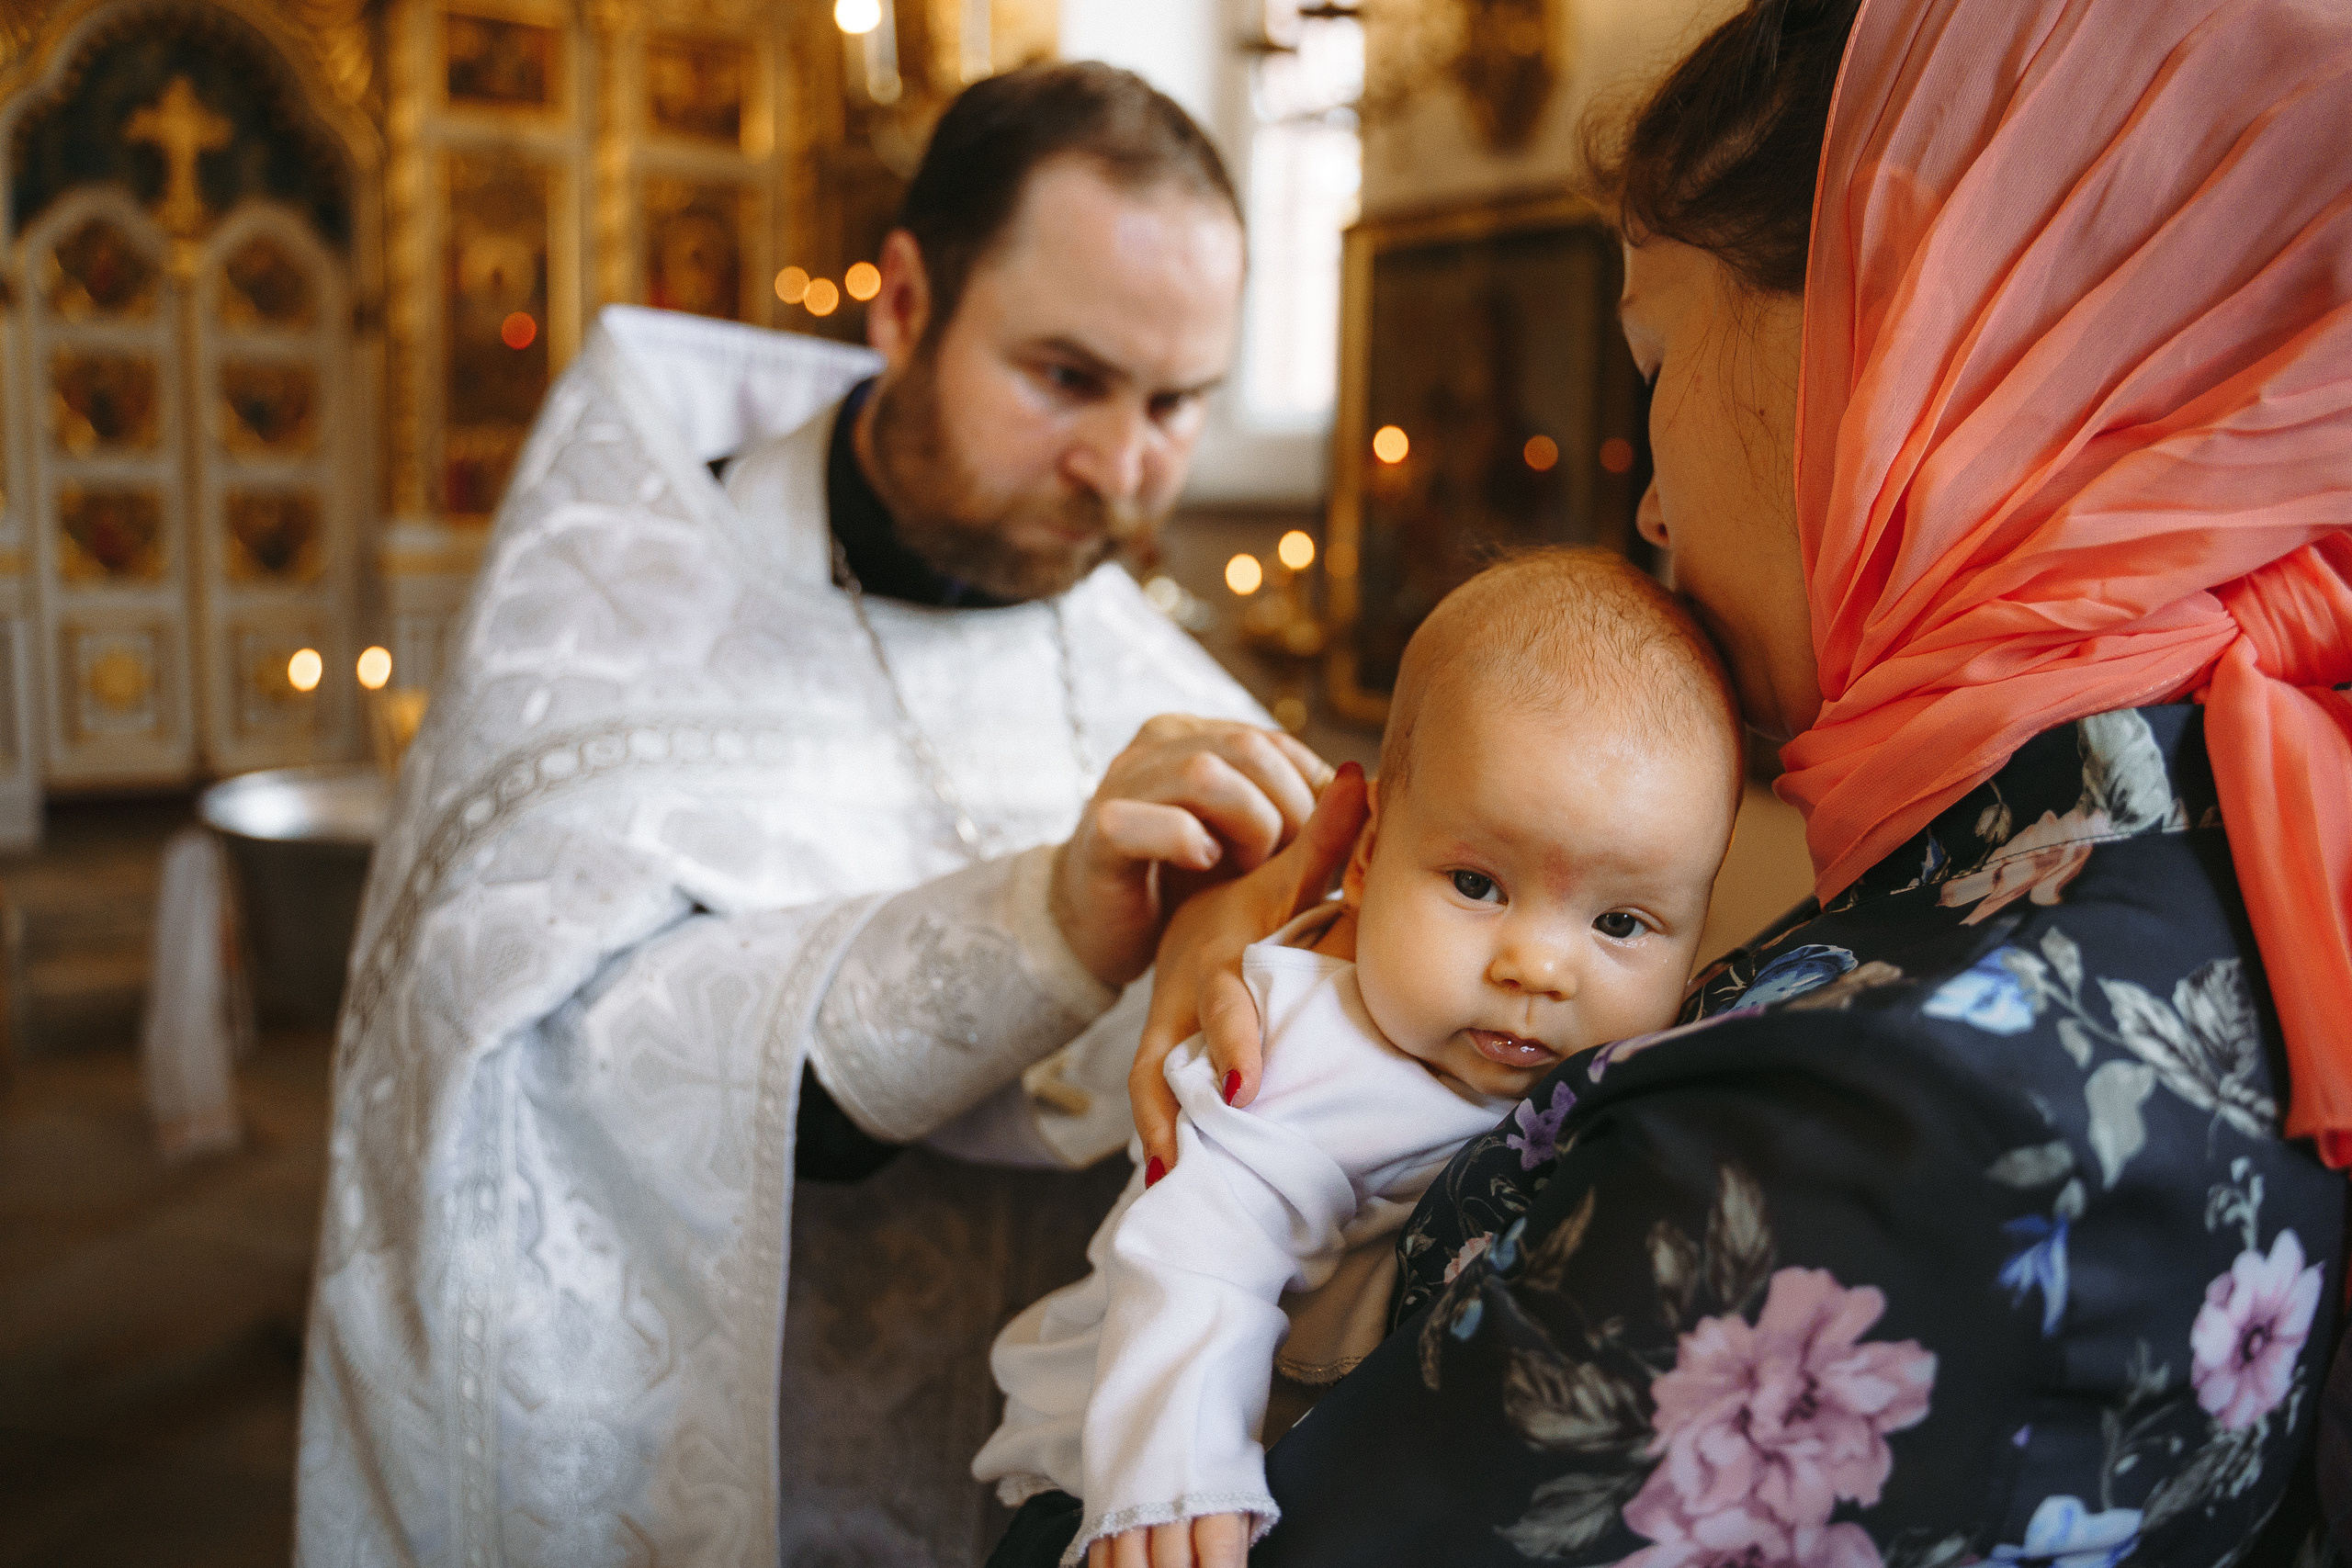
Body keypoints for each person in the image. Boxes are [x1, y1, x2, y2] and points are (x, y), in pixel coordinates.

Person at [1098, 0, 2352, 1562]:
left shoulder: (1877, 1116)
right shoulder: (2213, 833)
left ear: (1893, 331)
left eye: (1656, 352)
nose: (1652, 499)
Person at [296, 63, 1337, 1565]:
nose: (1122, 471)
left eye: (1177, 404)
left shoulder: (1156, 682)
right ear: (904, 302)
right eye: (1064, 377)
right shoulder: (615, 607)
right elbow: (522, 1087)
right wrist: (1040, 930)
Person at [974, 549, 1744, 1568]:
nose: (1539, 966)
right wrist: (1167, 1478)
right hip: (1105, 1482)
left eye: (1621, 921)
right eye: (1476, 883)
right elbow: (1204, 1242)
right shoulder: (1309, 1040)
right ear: (1373, 849)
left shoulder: (1627, 1060)